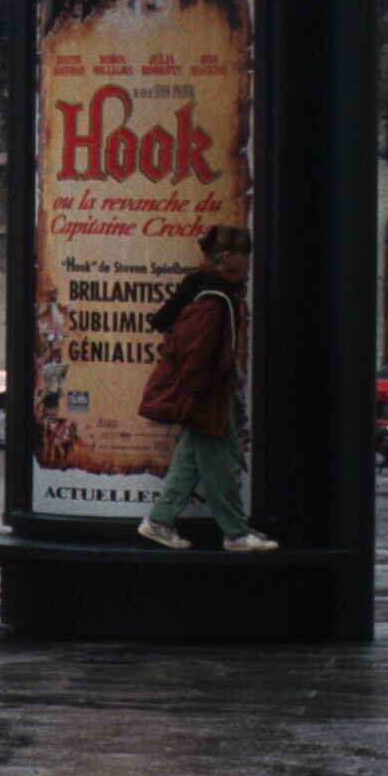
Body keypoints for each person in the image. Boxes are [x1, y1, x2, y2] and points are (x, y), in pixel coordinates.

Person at [136, 224, 276, 551]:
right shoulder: (216, 299)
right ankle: (236, 534)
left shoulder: (206, 288)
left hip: (207, 393)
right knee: (220, 463)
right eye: (246, 256)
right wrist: (200, 396)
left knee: (189, 461)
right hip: (208, 395)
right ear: (228, 257)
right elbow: (196, 352)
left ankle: (159, 521)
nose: (249, 262)